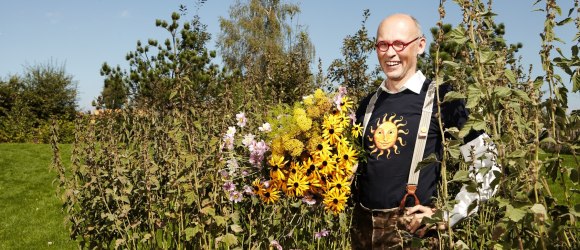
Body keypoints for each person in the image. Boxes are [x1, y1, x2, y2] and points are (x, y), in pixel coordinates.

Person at [351, 13, 499, 249]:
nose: (390, 53)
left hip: (412, 234)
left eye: (399, 44)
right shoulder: (367, 105)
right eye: (383, 44)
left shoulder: (443, 99)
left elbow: (488, 163)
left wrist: (450, 214)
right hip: (360, 233)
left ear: (420, 45)